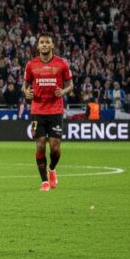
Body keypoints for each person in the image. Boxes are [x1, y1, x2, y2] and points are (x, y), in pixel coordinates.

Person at [22, 34, 73, 191]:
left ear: (52, 46)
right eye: (41, 43)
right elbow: (25, 85)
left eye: (47, 42)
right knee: (40, 145)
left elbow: (70, 85)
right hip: (38, 110)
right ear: (38, 46)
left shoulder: (62, 64)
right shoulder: (31, 65)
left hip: (55, 110)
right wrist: (26, 93)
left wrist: (62, 92)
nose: (44, 45)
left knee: (55, 148)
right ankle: (44, 181)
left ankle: (51, 169)